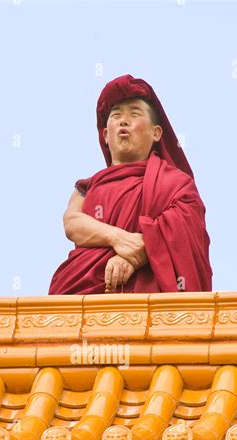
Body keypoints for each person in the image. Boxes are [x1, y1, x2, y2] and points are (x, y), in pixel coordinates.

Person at [48, 74, 213, 295]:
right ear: (106, 135)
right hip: (82, 291)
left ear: (157, 133)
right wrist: (119, 239)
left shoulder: (176, 183)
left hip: (150, 304)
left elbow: (185, 227)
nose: (123, 121)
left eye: (134, 114)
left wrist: (136, 257)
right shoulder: (87, 187)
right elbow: (72, 223)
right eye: (116, 116)